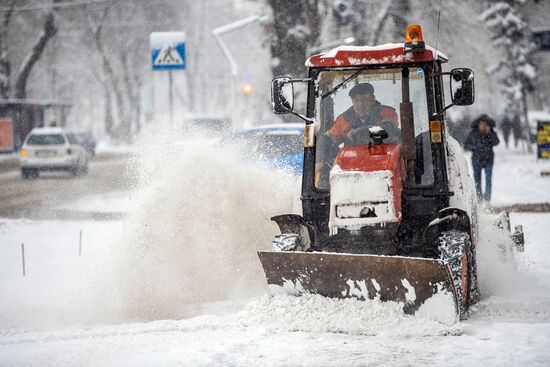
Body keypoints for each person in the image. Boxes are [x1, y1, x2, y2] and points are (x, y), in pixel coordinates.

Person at [325, 82, 399, 145]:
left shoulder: (387, 113)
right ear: (352, 102)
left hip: (385, 157)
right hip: (352, 160)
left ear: (372, 100)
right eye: (356, 100)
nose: (360, 104)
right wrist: (320, 156)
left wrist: (357, 132)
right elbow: (330, 137)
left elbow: (387, 131)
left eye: (364, 99)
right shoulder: (344, 119)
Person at [464, 114, 500, 202]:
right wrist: (475, 147)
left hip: (489, 160)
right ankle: (479, 199)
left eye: (485, 125)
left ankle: (487, 199)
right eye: (481, 124)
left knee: (488, 180)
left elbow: (496, 142)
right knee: (477, 181)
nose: (483, 126)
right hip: (476, 160)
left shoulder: (490, 133)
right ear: (478, 125)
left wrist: (489, 133)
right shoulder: (473, 133)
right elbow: (466, 145)